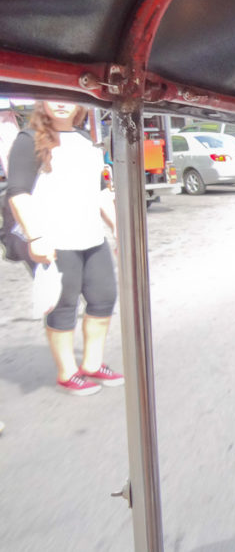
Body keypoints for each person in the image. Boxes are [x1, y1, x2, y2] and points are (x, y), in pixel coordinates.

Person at [6, 101, 122, 396]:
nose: (60, 103)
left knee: (104, 298)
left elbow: (99, 192)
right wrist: (35, 238)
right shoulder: (28, 139)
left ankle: (93, 364)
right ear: (42, 103)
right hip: (55, 241)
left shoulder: (84, 141)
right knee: (63, 305)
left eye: (67, 98)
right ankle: (67, 372)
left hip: (91, 237)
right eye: (52, 97)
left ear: (79, 104)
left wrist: (118, 228)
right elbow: (18, 193)